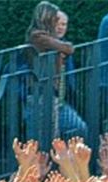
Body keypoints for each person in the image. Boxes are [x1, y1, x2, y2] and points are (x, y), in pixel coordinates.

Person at [25, 0, 88, 140]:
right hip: (41, 95)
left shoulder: (48, 37)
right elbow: (68, 48)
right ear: (47, 17)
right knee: (44, 140)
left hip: (55, 97)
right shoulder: (37, 36)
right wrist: (63, 48)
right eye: (55, 19)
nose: (58, 24)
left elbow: (65, 48)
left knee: (78, 128)